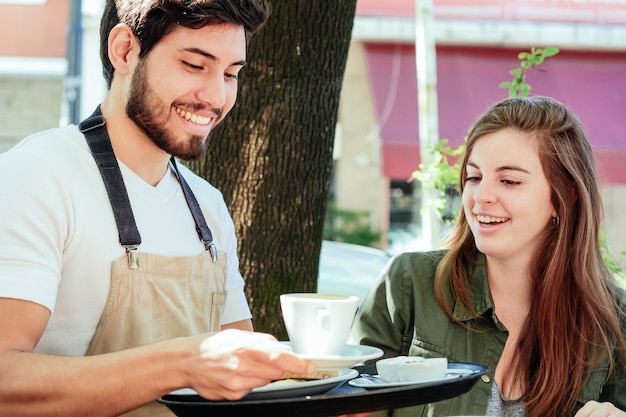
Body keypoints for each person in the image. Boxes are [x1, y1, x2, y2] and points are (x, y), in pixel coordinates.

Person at [0, 0, 317, 416]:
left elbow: (243, 383)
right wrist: (183, 363)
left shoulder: (209, 206)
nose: (217, 96)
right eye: (194, 65)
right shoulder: (38, 175)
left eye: (230, 74)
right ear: (125, 50)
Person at [352, 96, 626, 417]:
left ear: (562, 199)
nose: (481, 196)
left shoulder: (612, 321)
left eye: (509, 181)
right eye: (474, 177)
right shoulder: (409, 284)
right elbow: (351, 402)